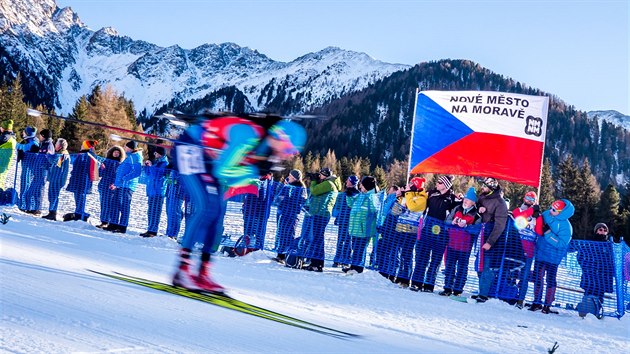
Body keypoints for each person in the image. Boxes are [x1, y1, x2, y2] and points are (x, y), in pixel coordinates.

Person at [171, 114, 306, 292]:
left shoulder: (265, 149)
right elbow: (223, 171)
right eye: (288, 150)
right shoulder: (249, 135)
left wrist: (250, 174)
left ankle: (202, 273)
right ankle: (183, 270)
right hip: (191, 147)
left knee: (217, 213)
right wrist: (252, 171)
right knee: (207, 208)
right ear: (280, 137)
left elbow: (233, 176)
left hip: (208, 155)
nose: (288, 156)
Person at [411, 175, 456, 292]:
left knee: (435, 260)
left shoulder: (452, 199)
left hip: (442, 233)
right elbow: (419, 199)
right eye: (438, 182)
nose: (437, 184)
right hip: (427, 229)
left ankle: (429, 285)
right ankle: (417, 282)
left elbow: (460, 209)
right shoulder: (431, 193)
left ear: (446, 186)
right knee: (422, 257)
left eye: (440, 183)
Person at [529, 199, 575, 314]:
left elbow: (562, 243)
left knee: (550, 279)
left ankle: (547, 304)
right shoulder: (546, 214)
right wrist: (536, 216)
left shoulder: (566, 227)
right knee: (538, 277)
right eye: (551, 207)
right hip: (540, 252)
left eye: (554, 210)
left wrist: (548, 233)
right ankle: (537, 301)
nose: (551, 211)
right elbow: (538, 225)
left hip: (553, 257)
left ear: (561, 212)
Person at [474, 177, 509, 303]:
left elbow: (500, 225)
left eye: (484, 186)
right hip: (481, 234)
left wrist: (490, 242)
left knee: (487, 266)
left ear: (491, 187)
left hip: (491, 238)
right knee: (478, 264)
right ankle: (481, 290)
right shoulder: (482, 197)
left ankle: (484, 294)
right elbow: (476, 208)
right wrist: (479, 208)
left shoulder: (500, 203)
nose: (482, 188)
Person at [440, 187, 479, 296]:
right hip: (452, 244)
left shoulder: (476, 214)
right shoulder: (457, 208)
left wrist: (466, 226)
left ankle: (457, 290)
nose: (465, 202)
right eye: (465, 199)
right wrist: (452, 222)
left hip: (465, 247)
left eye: (468, 200)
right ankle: (447, 288)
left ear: (473, 203)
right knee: (449, 266)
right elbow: (446, 221)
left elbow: (477, 229)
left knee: (462, 268)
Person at [303, 167, 342, 272]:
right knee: (318, 239)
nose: (319, 176)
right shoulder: (329, 183)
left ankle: (316, 263)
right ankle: (318, 263)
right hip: (321, 213)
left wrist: (314, 181)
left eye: (320, 175)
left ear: (325, 175)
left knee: (317, 239)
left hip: (321, 213)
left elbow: (314, 191)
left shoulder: (328, 184)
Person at [575, 223, 614, 318]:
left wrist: (609, 270)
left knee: (600, 294)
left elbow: (612, 261)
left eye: (605, 230)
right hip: (590, 274)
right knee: (589, 291)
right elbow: (580, 256)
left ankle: (596, 312)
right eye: (600, 230)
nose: (602, 232)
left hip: (603, 276)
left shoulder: (609, 245)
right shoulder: (589, 243)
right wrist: (586, 267)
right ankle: (586, 311)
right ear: (596, 231)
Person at [511, 191, 543, 308]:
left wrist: (540, 220)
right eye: (528, 198)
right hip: (516, 246)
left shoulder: (537, 216)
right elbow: (518, 218)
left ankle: (521, 299)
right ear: (524, 198)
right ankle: (509, 294)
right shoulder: (518, 210)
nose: (529, 201)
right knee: (511, 271)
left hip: (529, 249)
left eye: (532, 199)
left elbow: (539, 232)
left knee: (525, 275)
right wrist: (531, 211)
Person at [395, 177, 428, 286]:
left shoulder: (422, 198)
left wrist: (407, 193)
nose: (408, 185)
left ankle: (405, 278)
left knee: (407, 254)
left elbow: (412, 207)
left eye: (411, 183)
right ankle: (399, 276)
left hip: (411, 230)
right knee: (400, 253)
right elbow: (396, 211)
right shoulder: (408, 195)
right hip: (401, 227)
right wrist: (399, 197)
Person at [343, 176, 380, 274]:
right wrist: (349, 195)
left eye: (362, 185)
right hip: (356, 227)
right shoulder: (362, 195)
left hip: (364, 229)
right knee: (356, 248)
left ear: (367, 186)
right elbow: (352, 205)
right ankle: (353, 267)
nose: (360, 186)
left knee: (360, 249)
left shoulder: (372, 197)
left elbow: (376, 212)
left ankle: (358, 268)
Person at [107, 141, 143, 234]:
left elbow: (137, 171)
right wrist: (117, 183)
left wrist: (124, 179)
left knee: (124, 206)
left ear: (130, 148)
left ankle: (122, 226)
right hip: (121, 185)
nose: (124, 148)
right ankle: (113, 223)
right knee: (115, 204)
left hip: (127, 186)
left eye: (126, 146)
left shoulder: (135, 157)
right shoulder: (130, 156)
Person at [273, 169, 307, 263]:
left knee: (289, 234)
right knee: (281, 233)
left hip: (292, 214)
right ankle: (280, 255)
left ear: (296, 178)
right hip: (284, 212)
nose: (289, 177)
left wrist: (289, 201)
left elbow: (302, 201)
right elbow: (279, 197)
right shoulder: (287, 185)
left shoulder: (301, 188)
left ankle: (288, 255)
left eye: (291, 176)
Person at [65, 140, 100, 222]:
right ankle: (78, 212)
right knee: (78, 196)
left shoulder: (88, 155)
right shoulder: (81, 154)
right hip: (78, 179)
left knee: (80, 197)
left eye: (82, 145)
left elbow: (85, 167)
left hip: (82, 181)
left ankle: (80, 213)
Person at [23, 129, 55, 215]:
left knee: (38, 191)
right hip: (37, 172)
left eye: (40, 135)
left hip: (42, 173)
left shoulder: (49, 145)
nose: (39, 137)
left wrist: (44, 165)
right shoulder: (43, 144)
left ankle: (37, 209)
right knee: (31, 192)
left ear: (44, 136)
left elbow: (50, 159)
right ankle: (30, 207)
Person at [242, 171, 277, 250]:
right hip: (250, 211)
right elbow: (247, 196)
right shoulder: (252, 180)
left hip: (261, 213)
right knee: (248, 230)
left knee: (259, 232)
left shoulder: (270, 184)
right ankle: (246, 247)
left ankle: (257, 248)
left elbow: (270, 198)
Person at [140, 146, 169, 237]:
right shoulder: (157, 162)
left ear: (160, 154)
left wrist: (151, 166)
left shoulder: (164, 163)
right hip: (152, 190)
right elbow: (149, 174)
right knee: (151, 211)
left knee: (155, 211)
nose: (154, 154)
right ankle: (150, 229)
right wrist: (146, 167)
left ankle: (153, 230)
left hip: (158, 191)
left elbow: (158, 174)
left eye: (156, 153)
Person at [332, 175, 360, 267]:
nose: (346, 182)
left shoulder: (356, 194)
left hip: (350, 221)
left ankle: (346, 259)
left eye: (348, 181)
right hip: (343, 219)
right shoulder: (344, 193)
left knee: (348, 240)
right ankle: (338, 259)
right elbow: (340, 207)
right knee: (340, 240)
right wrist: (338, 217)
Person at [96, 146, 126, 229]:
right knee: (103, 203)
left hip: (113, 187)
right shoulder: (106, 161)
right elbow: (100, 174)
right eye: (115, 152)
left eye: (118, 152)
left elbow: (119, 176)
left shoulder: (121, 164)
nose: (116, 154)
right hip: (104, 185)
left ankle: (111, 222)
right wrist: (101, 168)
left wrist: (115, 183)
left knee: (111, 205)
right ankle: (104, 221)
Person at [42, 138, 70, 220]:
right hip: (55, 177)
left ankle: (53, 213)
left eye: (57, 143)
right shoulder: (61, 153)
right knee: (52, 195)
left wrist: (48, 154)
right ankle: (51, 212)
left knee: (53, 195)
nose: (55, 145)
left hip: (57, 178)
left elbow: (56, 162)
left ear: (60, 146)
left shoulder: (62, 154)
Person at [16, 126, 39, 212]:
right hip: (27, 167)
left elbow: (24, 147)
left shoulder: (33, 142)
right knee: (25, 184)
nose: (23, 133)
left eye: (25, 132)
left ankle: (25, 205)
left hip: (29, 168)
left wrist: (18, 145)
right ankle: (24, 204)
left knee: (26, 185)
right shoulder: (30, 141)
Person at [0, 119, 17, 191]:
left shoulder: (5, 137)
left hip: (2, 161)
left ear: (3, 128)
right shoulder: (12, 136)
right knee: (2, 179)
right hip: (6, 162)